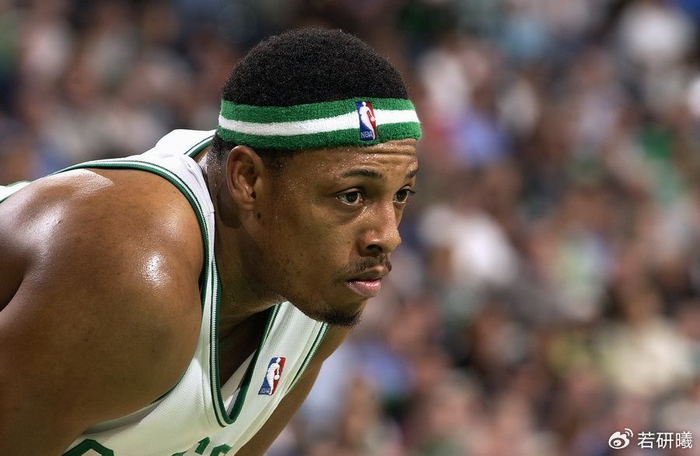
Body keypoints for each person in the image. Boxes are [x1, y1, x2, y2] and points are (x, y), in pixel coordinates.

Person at [0, 28, 421, 455]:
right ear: (248, 180)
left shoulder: (322, 296)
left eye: (402, 193)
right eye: (351, 196)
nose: (388, 236)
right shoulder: (134, 273)